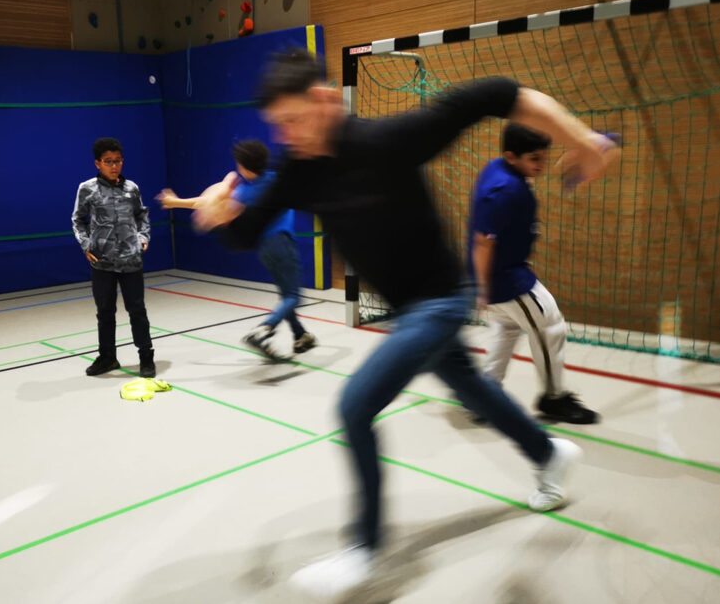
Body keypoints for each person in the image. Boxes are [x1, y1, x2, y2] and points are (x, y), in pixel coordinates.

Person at [192, 50, 619, 598]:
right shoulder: (300, 171)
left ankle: (364, 549)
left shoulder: (386, 141)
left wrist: (583, 142)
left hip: (441, 299)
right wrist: (218, 214)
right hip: (408, 307)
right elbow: (248, 233)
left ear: (325, 100)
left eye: (294, 118)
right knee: (472, 389)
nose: (287, 134)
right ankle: (549, 454)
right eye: (277, 125)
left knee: (354, 405)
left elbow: (497, 93)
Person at [468, 122, 599, 424]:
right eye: (535, 159)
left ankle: (485, 397)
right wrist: (482, 287)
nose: (541, 165)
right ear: (511, 156)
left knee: (507, 328)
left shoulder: (501, 169)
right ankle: (553, 398)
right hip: (504, 279)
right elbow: (482, 241)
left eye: (544, 156)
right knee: (548, 324)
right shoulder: (505, 188)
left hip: (506, 271)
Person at [157, 139, 317, 360]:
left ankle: (301, 335)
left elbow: (206, 203)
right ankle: (264, 329)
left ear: (242, 166)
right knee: (293, 296)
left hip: (264, 248)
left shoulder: (243, 192)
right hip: (282, 243)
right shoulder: (275, 182)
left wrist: (176, 202)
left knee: (284, 294)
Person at [72, 137, 155, 378]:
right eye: (108, 161)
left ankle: (146, 356)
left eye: (118, 161)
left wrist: (143, 237)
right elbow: (78, 220)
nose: (114, 166)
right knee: (105, 312)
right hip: (102, 262)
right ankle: (107, 357)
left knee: (137, 310)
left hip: (131, 260)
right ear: (98, 163)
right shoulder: (87, 189)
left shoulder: (132, 189)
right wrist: (86, 243)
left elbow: (142, 216)